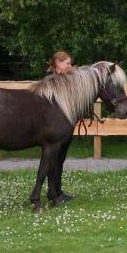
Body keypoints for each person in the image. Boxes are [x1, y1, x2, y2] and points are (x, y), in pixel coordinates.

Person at [47, 51, 75, 201]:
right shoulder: (51, 83)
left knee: (60, 159)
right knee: (53, 159)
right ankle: (53, 191)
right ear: (58, 63)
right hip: (55, 127)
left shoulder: (67, 81)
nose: (70, 67)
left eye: (70, 64)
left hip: (65, 125)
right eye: (67, 63)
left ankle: (57, 190)